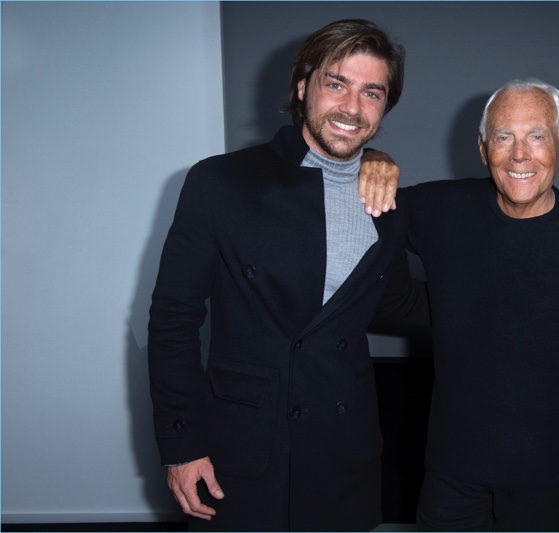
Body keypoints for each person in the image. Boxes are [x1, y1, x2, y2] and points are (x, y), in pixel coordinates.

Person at [147, 19, 428, 532]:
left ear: (385, 106)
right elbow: (172, 321)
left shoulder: (390, 204)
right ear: (303, 86)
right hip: (243, 449)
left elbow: (391, 303)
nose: (352, 107)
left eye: (372, 92)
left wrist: (493, 307)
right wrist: (181, 444)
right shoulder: (220, 182)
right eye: (336, 83)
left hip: (345, 451)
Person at [368, 78, 559, 530]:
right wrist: (374, 159)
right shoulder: (442, 209)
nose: (520, 154)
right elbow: (375, 210)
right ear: (483, 148)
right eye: (504, 137)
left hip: (544, 488)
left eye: (537, 136)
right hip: (451, 480)